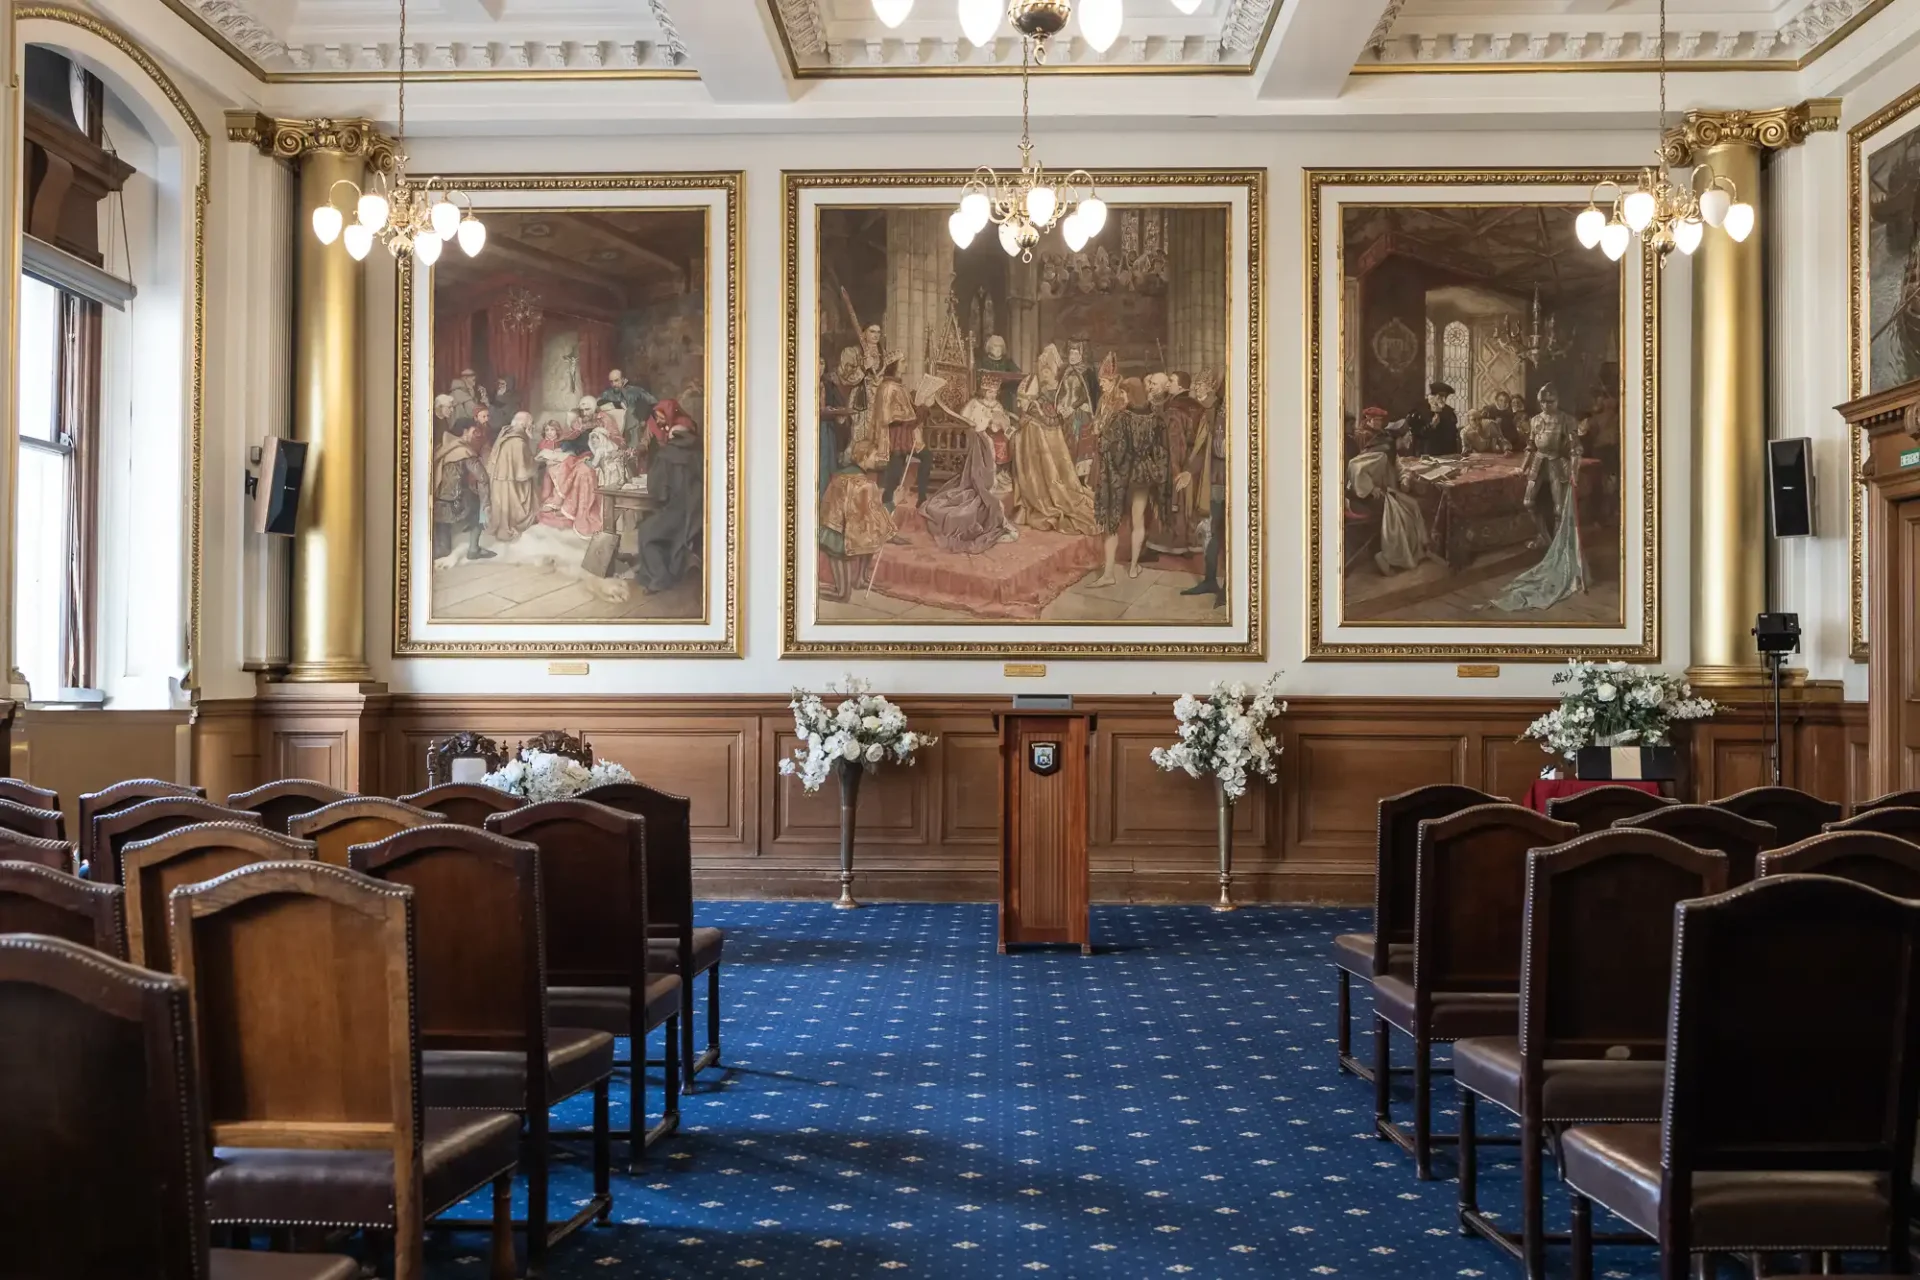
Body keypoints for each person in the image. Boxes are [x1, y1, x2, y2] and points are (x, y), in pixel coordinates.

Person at [1493, 382, 1590, 611]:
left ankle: (1557, 548)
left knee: (1558, 509)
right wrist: (1523, 468)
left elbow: (1576, 449)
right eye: (1543, 401)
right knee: (1528, 501)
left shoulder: (1566, 419)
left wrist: (1574, 473)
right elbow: (1530, 447)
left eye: (1551, 401)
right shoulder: (1535, 420)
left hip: (1557, 463)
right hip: (1539, 462)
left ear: (1557, 401)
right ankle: (1544, 537)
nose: (1547, 405)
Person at [819, 350, 895, 601]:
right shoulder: (862, 482)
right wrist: (893, 503)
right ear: (863, 458)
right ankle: (845, 590)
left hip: (842, 529)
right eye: (873, 457)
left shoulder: (848, 477)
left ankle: (856, 582)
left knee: (866, 538)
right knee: (857, 542)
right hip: (842, 533)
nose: (876, 460)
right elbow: (876, 515)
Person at [923, 372, 1020, 554]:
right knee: (990, 443)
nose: (991, 395)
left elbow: (1003, 419)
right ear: (983, 391)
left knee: (1006, 441)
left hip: (994, 433)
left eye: (994, 392)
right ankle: (988, 476)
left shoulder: (997, 404)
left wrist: (1000, 424)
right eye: (988, 392)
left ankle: (1002, 474)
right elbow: (968, 421)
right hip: (978, 436)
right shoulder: (974, 404)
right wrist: (986, 423)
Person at [1010, 344, 1098, 535]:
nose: (1044, 373)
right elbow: (1048, 400)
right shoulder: (1055, 379)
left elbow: (1083, 396)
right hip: (1057, 417)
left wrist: (1069, 408)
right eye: (1072, 353)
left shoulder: (1081, 374)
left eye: (1048, 370)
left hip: (1074, 416)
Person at [1093, 377, 1171, 586]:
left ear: (1130, 394)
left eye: (1124, 393)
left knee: (1112, 522)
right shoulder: (1154, 418)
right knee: (1138, 520)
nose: (1122, 397)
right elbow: (1160, 450)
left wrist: (1102, 438)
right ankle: (1134, 567)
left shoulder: (1121, 417)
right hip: (1143, 475)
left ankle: (1108, 574)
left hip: (1122, 474)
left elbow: (1112, 449)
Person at [633, 417, 703, 593]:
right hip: (698, 514)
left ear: (673, 436)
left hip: (676, 512)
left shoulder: (666, 454)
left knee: (647, 531)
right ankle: (668, 571)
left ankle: (660, 577)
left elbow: (656, 492)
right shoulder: (701, 453)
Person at [1177, 370, 1227, 606]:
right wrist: (1189, 471)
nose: (1195, 391)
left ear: (1209, 388)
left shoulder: (1223, 410)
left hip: (1230, 480)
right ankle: (1210, 580)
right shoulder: (1208, 412)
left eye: (1199, 386)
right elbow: (1203, 447)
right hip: (1214, 479)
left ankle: (1229, 589)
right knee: (1212, 529)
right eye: (1195, 386)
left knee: (1231, 533)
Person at [1147, 372, 1207, 556]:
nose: (1168, 385)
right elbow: (1200, 438)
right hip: (1193, 460)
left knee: (1175, 502)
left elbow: (1175, 443)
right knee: (1188, 502)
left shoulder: (1174, 410)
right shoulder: (1198, 407)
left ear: (1181, 387)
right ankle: (1190, 542)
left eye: (1171, 381)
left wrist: (1176, 469)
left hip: (1176, 461)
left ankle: (1177, 544)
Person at [871, 352, 928, 512]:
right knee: (894, 472)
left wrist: (918, 403)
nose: (906, 364)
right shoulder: (888, 387)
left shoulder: (898, 386)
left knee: (923, 458)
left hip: (904, 434)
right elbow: (890, 415)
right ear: (894, 365)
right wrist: (919, 412)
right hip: (895, 436)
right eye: (903, 361)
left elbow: (907, 409)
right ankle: (887, 506)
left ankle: (921, 498)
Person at [433, 422, 494, 562]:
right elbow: (483, 478)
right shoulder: (464, 451)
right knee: (479, 508)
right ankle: (474, 549)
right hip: (455, 503)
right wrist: (486, 503)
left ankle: (441, 548)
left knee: (444, 548)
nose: (476, 435)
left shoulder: (444, 447)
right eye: (474, 432)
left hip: (438, 502)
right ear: (465, 431)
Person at [535, 420, 604, 538]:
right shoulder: (543, 443)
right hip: (549, 470)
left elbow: (570, 453)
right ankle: (555, 501)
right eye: (547, 430)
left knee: (569, 467)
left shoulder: (563, 442)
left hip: (567, 462)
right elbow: (541, 458)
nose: (550, 433)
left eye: (552, 430)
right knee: (554, 471)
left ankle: (563, 503)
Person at [485, 411, 540, 542]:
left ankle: (502, 526)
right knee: (521, 496)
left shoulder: (505, 434)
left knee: (502, 504)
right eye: (530, 424)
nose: (532, 426)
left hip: (499, 479)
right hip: (510, 481)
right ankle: (509, 527)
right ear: (524, 424)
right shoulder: (518, 442)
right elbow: (526, 469)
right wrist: (537, 459)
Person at [1057, 339, 1100, 478]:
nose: (1072, 356)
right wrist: (1059, 405)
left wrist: (1072, 407)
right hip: (1064, 411)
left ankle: (1077, 476)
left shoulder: (1087, 372)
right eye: (1071, 353)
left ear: (1082, 355)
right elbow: (1061, 391)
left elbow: (1086, 395)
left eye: (1076, 353)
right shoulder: (1065, 370)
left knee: (1076, 441)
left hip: (1080, 412)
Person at [1407, 381, 1460, 456]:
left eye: (1446, 396)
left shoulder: (1448, 411)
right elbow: (1416, 434)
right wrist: (1431, 425)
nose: (1443, 399)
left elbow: (1452, 434)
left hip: (1446, 453)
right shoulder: (1419, 410)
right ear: (1433, 395)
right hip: (1426, 453)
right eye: (1441, 396)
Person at [978, 334, 1021, 412]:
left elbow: (1018, 375)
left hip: (1005, 397)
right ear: (990, 348)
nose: (998, 349)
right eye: (995, 346)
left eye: (1000, 347)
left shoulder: (1008, 362)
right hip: (988, 397)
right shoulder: (983, 362)